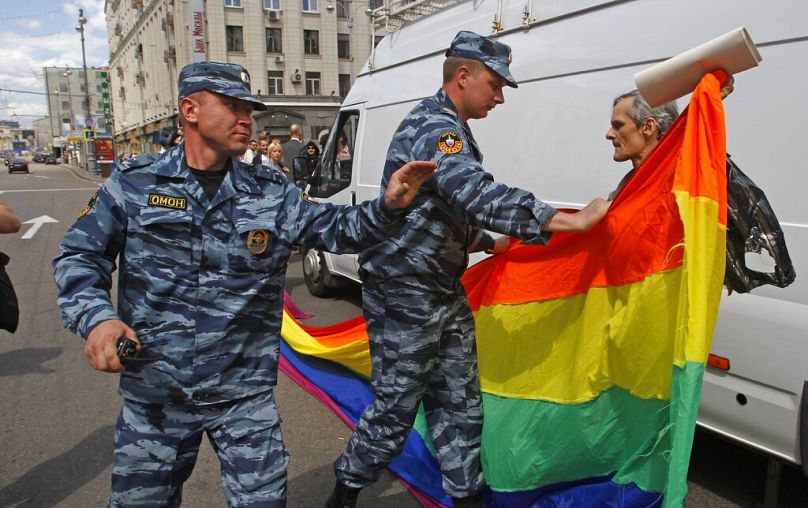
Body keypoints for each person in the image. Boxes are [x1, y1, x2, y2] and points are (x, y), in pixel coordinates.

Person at [52, 61, 436, 508]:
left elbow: (336, 228)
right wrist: (98, 320)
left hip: (243, 395)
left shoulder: (271, 191)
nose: (245, 119)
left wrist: (388, 205)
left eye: (249, 109)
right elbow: (79, 256)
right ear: (190, 110)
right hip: (157, 392)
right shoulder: (135, 184)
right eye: (231, 106)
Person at [328, 31, 610, 508]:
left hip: (440, 291)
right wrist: (566, 220)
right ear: (464, 76)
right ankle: (345, 491)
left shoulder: (450, 128)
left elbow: (437, 214)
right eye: (495, 84)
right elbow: (471, 192)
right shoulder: (435, 127)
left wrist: (490, 242)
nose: (499, 97)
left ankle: (465, 496)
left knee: (460, 402)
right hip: (404, 295)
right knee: (396, 410)